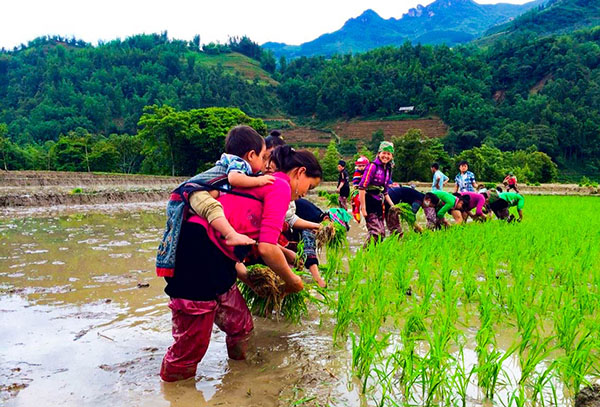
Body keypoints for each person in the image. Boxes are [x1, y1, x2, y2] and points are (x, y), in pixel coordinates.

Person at [160, 144, 322, 382]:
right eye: (310, 185)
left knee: (241, 326)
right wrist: (293, 280)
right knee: (191, 343)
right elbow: (267, 248)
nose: (306, 193)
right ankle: (174, 390)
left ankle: (239, 376)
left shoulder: (263, 183)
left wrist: (250, 278)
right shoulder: (279, 186)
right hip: (196, 254)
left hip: (219, 256)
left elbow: (247, 239)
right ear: (299, 172)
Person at [156, 126, 272, 277]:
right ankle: (230, 234)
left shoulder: (234, 164)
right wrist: (260, 181)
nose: (264, 163)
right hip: (192, 193)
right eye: (262, 157)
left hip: (196, 194)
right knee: (213, 207)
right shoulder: (239, 164)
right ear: (251, 155)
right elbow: (234, 179)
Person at [358, 141, 394, 244]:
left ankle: (371, 255)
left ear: (391, 156)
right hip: (369, 201)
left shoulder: (388, 169)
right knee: (375, 233)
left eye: (388, 154)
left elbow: (385, 192)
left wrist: (393, 206)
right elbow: (362, 187)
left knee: (382, 234)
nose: (385, 156)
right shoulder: (372, 166)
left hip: (378, 203)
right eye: (384, 153)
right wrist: (363, 209)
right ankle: (364, 254)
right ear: (379, 153)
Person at [351, 156, 369, 222]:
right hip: (359, 189)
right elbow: (355, 182)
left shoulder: (369, 172)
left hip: (368, 189)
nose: (361, 167)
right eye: (359, 166)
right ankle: (357, 215)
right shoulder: (357, 173)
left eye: (363, 166)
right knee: (357, 201)